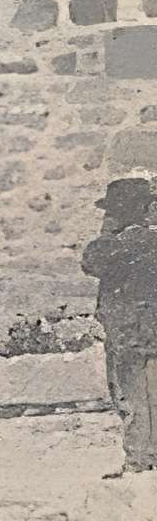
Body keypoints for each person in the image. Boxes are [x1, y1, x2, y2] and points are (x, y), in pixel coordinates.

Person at [85, 177, 157, 477]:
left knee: (131, 398)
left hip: (128, 336)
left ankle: (140, 462)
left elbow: (89, 261)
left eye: (111, 211)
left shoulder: (116, 245)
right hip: (150, 334)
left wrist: (108, 232)